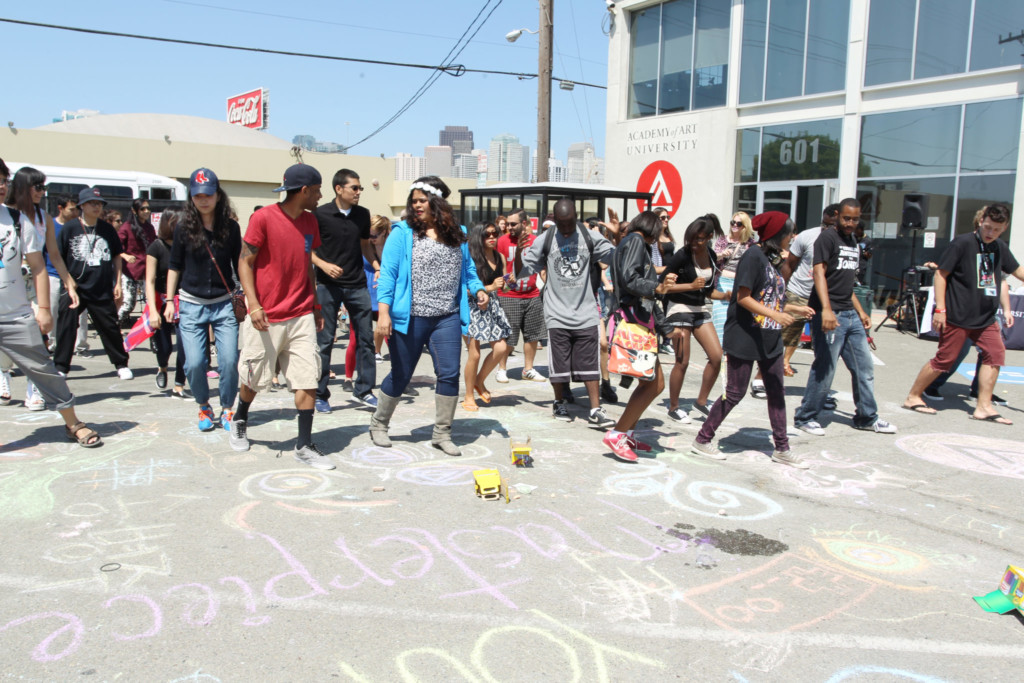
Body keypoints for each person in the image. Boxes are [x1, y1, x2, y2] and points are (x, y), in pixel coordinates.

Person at [369, 176, 488, 456]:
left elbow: (468, 270)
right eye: (414, 201)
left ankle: (442, 433)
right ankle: (379, 424)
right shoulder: (403, 232)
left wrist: (478, 289)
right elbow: (388, 275)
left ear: (436, 202)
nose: (417, 205)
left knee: (449, 374)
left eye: (422, 200)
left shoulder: (456, 232)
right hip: (410, 316)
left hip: (446, 316)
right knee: (401, 374)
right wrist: (383, 313)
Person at [691, 212, 814, 467]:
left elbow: (770, 296)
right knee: (735, 393)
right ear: (777, 234)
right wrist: (776, 315)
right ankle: (702, 439)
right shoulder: (753, 256)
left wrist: (792, 309)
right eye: (789, 233)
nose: (792, 237)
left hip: (769, 337)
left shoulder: (772, 259)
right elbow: (744, 298)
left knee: (776, 392)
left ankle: (782, 448)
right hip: (745, 335)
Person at [231, 164, 331, 469]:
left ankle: (304, 445)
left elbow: (308, 265)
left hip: (301, 313)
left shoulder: (311, 221)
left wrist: (314, 305)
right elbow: (245, 263)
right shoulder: (262, 218)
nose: (320, 195)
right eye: (317, 190)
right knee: (254, 379)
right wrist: (254, 304)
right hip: (266, 314)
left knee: (307, 379)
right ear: (304, 191)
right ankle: (239, 417)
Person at [0, 158, 101, 446]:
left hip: (15, 314)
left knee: (44, 369)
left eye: (3, 179)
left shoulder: (19, 221)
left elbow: (41, 266)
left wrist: (44, 309)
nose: (0, 185)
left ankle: (73, 424)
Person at [903, 203, 1023, 425]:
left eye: (996, 230)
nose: (990, 233)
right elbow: (941, 274)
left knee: (995, 355)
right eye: (987, 227)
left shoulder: (999, 247)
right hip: (958, 315)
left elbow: (1017, 271)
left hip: (985, 318)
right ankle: (913, 396)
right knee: (944, 360)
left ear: (1004, 228)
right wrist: (940, 309)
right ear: (981, 221)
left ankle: (984, 407)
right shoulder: (962, 243)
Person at [793, 198, 897, 436]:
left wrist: (861, 311)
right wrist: (827, 309)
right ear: (838, 215)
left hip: (850, 314)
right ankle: (805, 416)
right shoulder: (827, 238)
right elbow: (819, 272)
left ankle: (867, 417)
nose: (850, 223)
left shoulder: (852, 241)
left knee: (864, 368)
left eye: (855, 219)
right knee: (825, 368)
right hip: (830, 314)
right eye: (846, 218)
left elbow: (846, 282)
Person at [516, 199, 616, 427]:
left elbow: (614, 258)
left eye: (570, 223)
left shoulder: (589, 235)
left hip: (586, 311)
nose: (567, 229)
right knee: (559, 366)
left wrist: (618, 238)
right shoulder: (547, 238)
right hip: (556, 313)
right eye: (562, 225)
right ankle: (559, 401)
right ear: (554, 220)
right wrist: (520, 253)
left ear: (576, 217)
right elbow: (522, 272)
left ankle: (595, 409)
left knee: (590, 365)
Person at [602, 210, 683, 462]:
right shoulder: (636, 241)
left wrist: (664, 326)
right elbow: (630, 280)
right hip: (634, 323)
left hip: (638, 320)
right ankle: (617, 434)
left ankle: (627, 432)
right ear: (652, 228)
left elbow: (635, 284)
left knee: (649, 382)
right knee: (654, 384)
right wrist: (656, 286)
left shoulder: (629, 242)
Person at [165, 168, 241, 430]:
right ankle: (203, 406)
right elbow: (174, 265)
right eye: (198, 196)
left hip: (223, 304)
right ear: (191, 198)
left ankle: (228, 409)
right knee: (195, 363)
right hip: (191, 304)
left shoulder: (231, 228)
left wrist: (249, 297)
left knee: (230, 361)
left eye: (208, 194)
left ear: (218, 195)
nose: (203, 200)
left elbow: (239, 264)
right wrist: (168, 301)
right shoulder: (183, 228)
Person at [2, 167, 78, 409]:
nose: (42, 192)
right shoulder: (8, 214)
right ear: (23, 187)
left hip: (37, 284)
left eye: (44, 187)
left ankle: (34, 388)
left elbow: (53, 255)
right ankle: (4, 373)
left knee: (40, 336)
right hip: (11, 285)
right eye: (38, 187)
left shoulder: (42, 217)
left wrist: (69, 282)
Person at [312, 168, 380, 413]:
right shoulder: (319, 214)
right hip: (327, 287)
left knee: (366, 339)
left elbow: (365, 246)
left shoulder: (363, 215)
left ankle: (364, 390)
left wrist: (376, 266)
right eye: (355, 188)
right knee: (324, 341)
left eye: (360, 188)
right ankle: (320, 394)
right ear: (339, 189)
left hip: (357, 285)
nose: (359, 192)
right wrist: (322, 265)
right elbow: (306, 248)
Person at [53, 188, 132, 379]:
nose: (96, 207)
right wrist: (67, 281)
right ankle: (61, 366)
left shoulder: (106, 230)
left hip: (101, 287)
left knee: (110, 327)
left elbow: (116, 256)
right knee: (66, 325)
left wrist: (118, 282)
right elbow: (58, 257)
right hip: (76, 289)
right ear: (82, 206)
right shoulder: (69, 228)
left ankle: (121, 364)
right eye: (92, 203)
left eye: (99, 204)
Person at [661, 215, 730, 423]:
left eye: (699, 239)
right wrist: (690, 286)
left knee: (717, 356)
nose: (694, 243)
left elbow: (708, 292)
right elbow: (663, 286)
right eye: (691, 238)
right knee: (682, 361)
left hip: (699, 308)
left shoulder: (710, 253)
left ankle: (701, 401)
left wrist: (726, 296)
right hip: (679, 307)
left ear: (709, 237)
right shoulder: (681, 256)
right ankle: (673, 407)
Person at [778, 204, 839, 381]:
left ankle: (787, 362)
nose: (827, 229)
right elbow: (789, 264)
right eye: (825, 225)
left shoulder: (843, 242)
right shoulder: (807, 236)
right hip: (799, 292)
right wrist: (781, 289)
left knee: (824, 343)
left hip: (824, 299)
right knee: (787, 332)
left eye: (832, 225)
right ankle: (770, 370)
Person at [462, 222, 511, 411]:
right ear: (478, 236)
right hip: (472, 307)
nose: (492, 237)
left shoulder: (500, 257)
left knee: (501, 348)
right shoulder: (472, 257)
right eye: (487, 234)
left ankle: (478, 381)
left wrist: (509, 282)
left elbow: (505, 287)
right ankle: (468, 396)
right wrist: (489, 287)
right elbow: (464, 290)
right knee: (474, 353)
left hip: (492, 306)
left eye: (495, 233)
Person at [495, 210, 547, 383]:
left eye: (513, 224)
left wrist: (544, 278)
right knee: (508, 336)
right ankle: (501, 369)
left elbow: (542, 266)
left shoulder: (535, 241)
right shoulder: (502, 241)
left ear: (524, 223)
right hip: (509, 295)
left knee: (533, 336)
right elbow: (500, 268)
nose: (509, 227)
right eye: (508, 224)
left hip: (532, 294)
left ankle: (528, 369)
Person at [345, 215, 391, 390]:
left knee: (391, 337)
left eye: (375, 235)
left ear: (385, 232)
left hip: (384, 296)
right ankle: (348, 378)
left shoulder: (390, 247)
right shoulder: (362, 245)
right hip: (363, 293)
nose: (371, 238)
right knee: (355, 338)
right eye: (369, 235)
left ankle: (399, 377)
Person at [145, 209, 186, 396]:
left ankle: (179, 383)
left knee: (185, 345)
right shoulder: (156, 246)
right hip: (160, 301)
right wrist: (153, 311)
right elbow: (150, 280)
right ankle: (162, 367)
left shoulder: (186, 245)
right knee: (165, 347)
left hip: (184, 301)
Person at [51, 194, 89, 355]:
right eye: (71, 209)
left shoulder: (80, 226)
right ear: (60, 208)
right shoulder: (51, 225)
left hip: (76, 278)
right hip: (53, 274)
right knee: (54, 310)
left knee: (81, 314)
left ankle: (80, 346)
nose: (75, 213)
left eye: (76, 209)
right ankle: (53, 345)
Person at [711, 211, 757, 342]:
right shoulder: (723, 240)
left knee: (736, 319)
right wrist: (721, 254)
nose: (735, 225)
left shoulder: (750, 243)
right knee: (720, 319)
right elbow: (712, 258)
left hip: (739, 284)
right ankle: (720, 350)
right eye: (733, 222)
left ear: (745, 226)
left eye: (739, 223)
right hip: (721, 283)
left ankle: (730, 349)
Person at [116, 199, 157, 326]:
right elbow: (116, 247)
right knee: (128, 304)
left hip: (148, 271)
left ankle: (154, 340)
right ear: (134, 211)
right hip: (130, 271)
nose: (146, 211)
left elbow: (154, 246)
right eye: (143, 209)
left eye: (148, 209)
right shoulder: (126, 227)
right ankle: (113, 327)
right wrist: (125, 256)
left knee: (151, 304)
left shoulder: (149, 227)